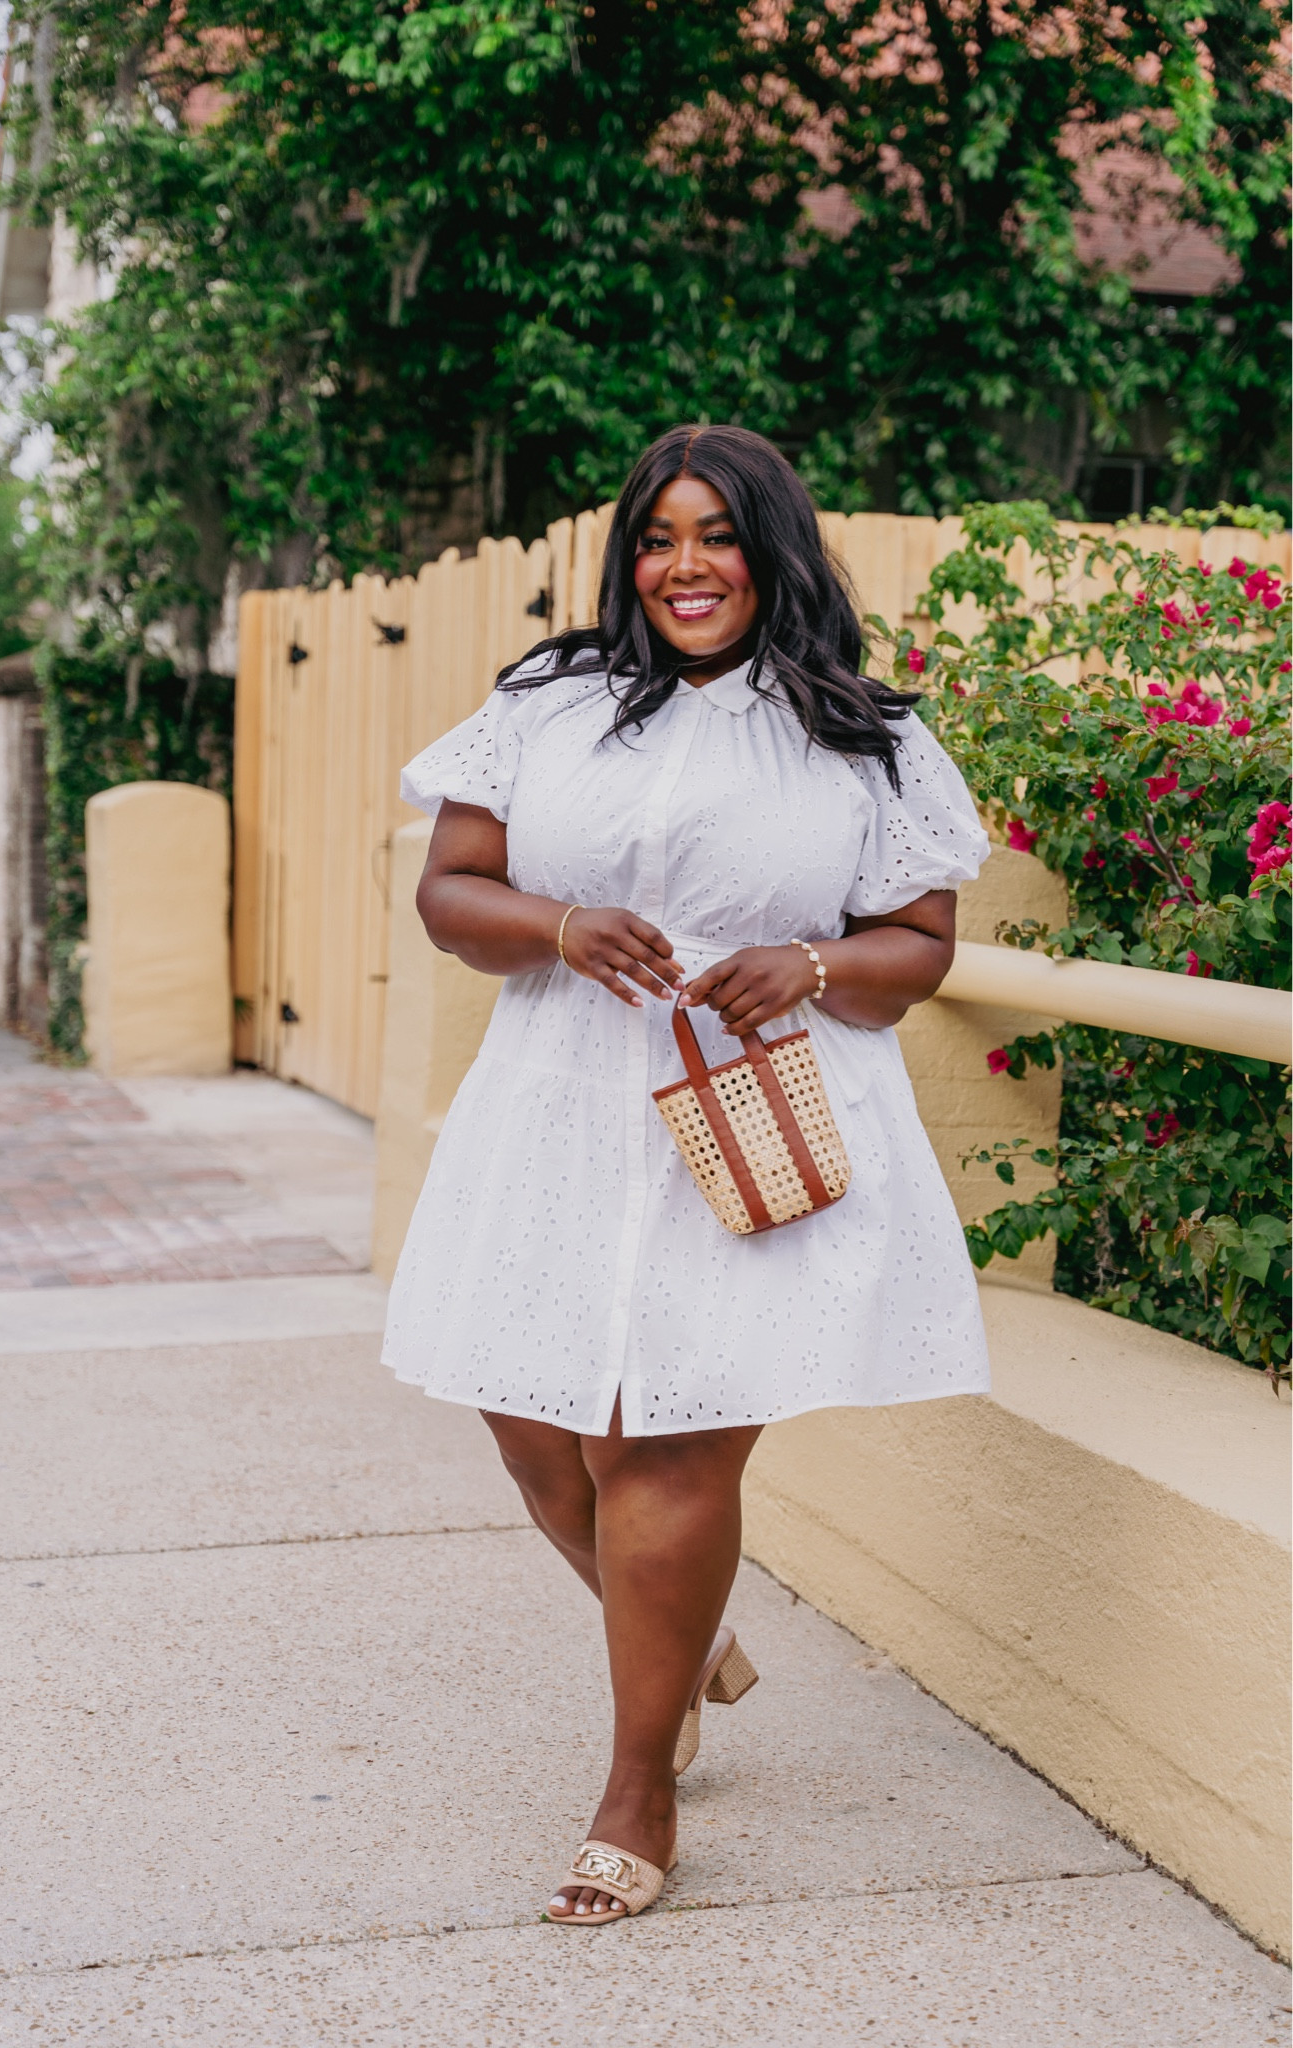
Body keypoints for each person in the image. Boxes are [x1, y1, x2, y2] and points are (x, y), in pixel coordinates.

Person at [383, 423, 991, 1925]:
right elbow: (450, 892)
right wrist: (556, 925)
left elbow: (920, 946)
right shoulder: (552, 701)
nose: (684, 566)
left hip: (752, 1109)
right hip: (559, 1104)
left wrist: (817, 959)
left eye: (715, 535)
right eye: (657, 538)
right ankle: (687, 1638)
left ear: (770, 545)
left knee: (662, 1446)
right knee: (539, 1437)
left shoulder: (864, 734)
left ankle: (637, 1787)